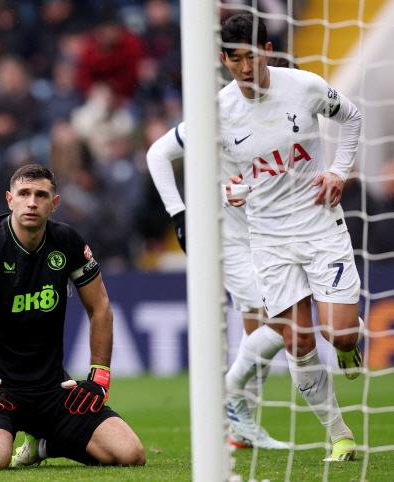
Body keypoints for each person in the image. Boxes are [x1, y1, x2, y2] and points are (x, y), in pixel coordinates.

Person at [0, 164, 146, 471]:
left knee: (130, 454)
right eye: (24, 194)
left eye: (41, 195)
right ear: (10, 200)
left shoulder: (67, 241)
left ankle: (44, 443)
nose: (32, 202)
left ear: (54, 203)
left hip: (52, 390)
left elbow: (100, 308)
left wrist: (99, 377)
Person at [220, 13, 364, 462]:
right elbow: (223, 172)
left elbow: (353, 117)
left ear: (267, 51)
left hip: (320, 222)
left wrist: (339, 171)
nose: (247, 67)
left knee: (338, 336)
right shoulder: (218, 113)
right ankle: (340, 435)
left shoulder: (303, 86)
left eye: (254, 55)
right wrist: (230, 192)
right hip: (269, 238)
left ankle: (348, 347)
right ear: (225, 59)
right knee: (297, 341)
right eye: (237, 58)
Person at [147, 120, 286, 450]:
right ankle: (229, 393)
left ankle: (241, 426)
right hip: (230, 240)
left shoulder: (295, 116)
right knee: (280, 321)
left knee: (259, 331)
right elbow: (157, 154)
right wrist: (179, 215)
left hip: (274, 237)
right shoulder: (222, 112)